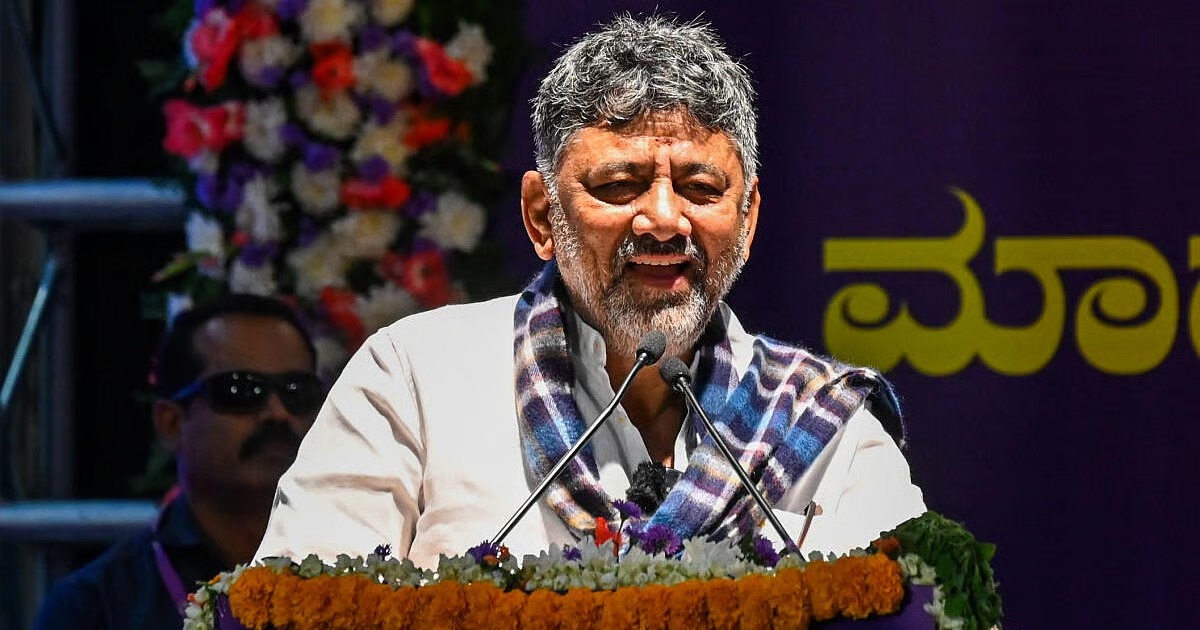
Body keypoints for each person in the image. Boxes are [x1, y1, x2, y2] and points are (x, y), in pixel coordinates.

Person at [256, 14, 925, 569]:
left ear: (747, 222)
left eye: (700, 189)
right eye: (619, 186)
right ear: (542, 217)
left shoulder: (824, 425)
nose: (663, 219)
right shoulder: (415, 378)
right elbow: (301, 603)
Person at [35, 294, 323, 628]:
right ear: (171, 424)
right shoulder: (98, 606)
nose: (277, 413)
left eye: (296, 391)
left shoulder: (359, 561)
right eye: (240, 390)